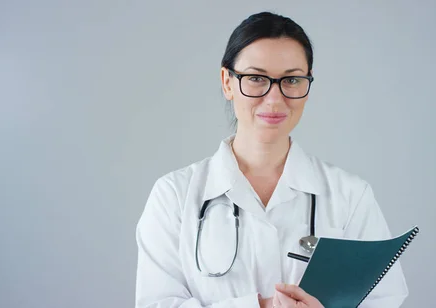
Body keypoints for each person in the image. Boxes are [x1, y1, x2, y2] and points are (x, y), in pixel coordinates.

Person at [135, 11, 409, 308]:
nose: (275, 98)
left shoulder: (351, 196)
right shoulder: (174, 196)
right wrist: (260, 307)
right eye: (256, 78)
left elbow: (385, 300)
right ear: (227, 82)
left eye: (291, 80)